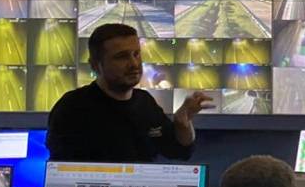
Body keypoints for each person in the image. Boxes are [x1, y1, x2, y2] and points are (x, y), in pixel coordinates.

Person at [46, 23, 212, 162]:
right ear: (96, 65)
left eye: (136, 54)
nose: (134, 63)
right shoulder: (72, 108)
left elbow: (178, 151)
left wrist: (183, 123)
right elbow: (62, 172)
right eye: (121, 57)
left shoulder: (145, 102)